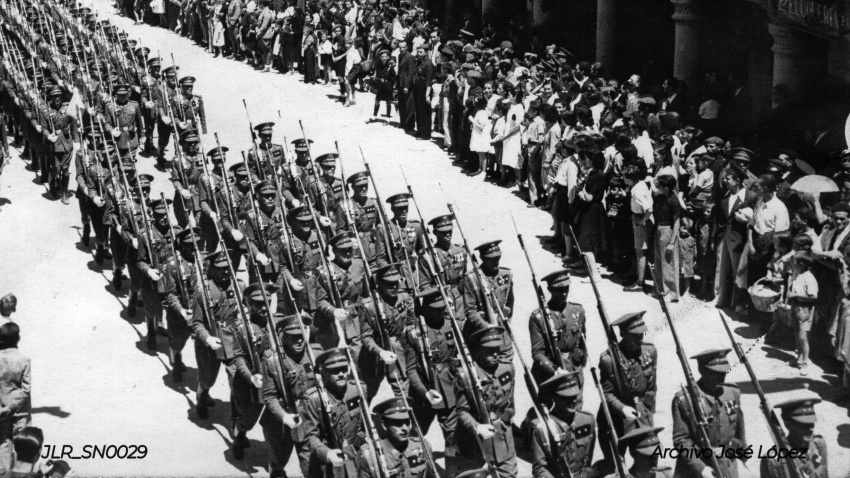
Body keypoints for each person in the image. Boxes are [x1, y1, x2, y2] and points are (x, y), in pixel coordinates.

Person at [262, 313, 323, 478]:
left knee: (310, 467)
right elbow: (269, 396)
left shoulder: (315, 354)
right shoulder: (272, 361)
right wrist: (283, 417)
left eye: (301, 336)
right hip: (281, 423)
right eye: (293, 337)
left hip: (310, 420)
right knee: (278, 461)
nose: (299, 341)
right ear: (283, 338)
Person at [596, 311, 657, 476]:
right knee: (616, 466)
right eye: (634, 336)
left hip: (642, 414)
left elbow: (652, 387)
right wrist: (622, 409)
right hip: (617, 419)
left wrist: (648, 413)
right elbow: (606, 395)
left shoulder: (649, 351)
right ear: (623, 334)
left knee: (647, 462)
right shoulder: (609, 360)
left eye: (641, 334)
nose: (640, 339)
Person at [671, 348, 746, 478]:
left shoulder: (732, 392)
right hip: (698, 469)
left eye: (724, 372)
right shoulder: (685, 400)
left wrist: (735, 453)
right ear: (703, 371)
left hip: (728, 466)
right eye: (716, 373)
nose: (722, 376)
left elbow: (739, 432)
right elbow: (681, 440)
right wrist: (700, 468)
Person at [455, 325, 517, 477]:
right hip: (475, 440)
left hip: (503, 437)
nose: (495, 354)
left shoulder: (507, 369)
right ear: (479, 350)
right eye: (489, 350)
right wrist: (477, 427)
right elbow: (462, 411)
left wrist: (505, 419)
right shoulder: (466, 376)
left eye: (497, 349)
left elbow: (510, 402)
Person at [189, 250, 243, 420]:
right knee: (208, 378)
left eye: (227, 268)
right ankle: (202, 396)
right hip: (211, 340)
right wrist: (208, 339)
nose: (225, 272)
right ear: (211, 269)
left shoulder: (238, 286)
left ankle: (236, 425)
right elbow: (196, 323)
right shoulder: (203, 291)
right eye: (220, 268)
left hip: (233, 339)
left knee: (237, 382)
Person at [302, 348, 366, 478]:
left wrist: (357, 443)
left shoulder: (358, 389)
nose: (341, 374)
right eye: (335, 371)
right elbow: (310, 436)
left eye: (343, 368)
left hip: (354, 454)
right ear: (324, 373)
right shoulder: (314, 399)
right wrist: (327, 453)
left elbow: (366, 424)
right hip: (327, 461)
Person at [529, 372, 595, 478]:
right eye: (566, 398)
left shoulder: (587, 420)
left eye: (574, 396)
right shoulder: (542, 428)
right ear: (554, 398)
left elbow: (587, 461)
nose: (573, 401)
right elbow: (539, 469)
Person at [529, 269, 586, 386]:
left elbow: (582, 341)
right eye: (559, 290)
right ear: (550, 290)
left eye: (566, 289)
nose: (564, 293)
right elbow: (538, 353)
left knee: (577, 403)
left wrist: (580, 360)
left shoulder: (577, 310)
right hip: (553, 370)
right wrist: (554, 371)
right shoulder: (539, 317)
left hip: (574, 368)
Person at [357, 397, 435, 478]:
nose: (405, 428)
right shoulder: (370, 455)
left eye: (407, 422)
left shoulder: (422, 447)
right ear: (384, 425)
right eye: (398, 423)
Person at [760, 397, 828, 478]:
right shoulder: (772, 460)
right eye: (803, 425)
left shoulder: (818, 444)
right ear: (787, 425)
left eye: (811, 423)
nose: (810, 428)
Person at [0, 322, 31, 461]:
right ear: (18, 338)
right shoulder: (24, 360)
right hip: (21, 411)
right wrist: (12, 406)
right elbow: (26, 389)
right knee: (23, 447)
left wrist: (5, 408)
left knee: (4, 445)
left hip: (1, 412)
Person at [787, 251, 818, 375]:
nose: (791, 264)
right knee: (796, 333)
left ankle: (805, 361)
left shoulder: (809, 277)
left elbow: (813, 296)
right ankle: (799, 358)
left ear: (801, 264)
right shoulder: (797, 274)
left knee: (803, 336)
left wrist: (795, 295)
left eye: (793, 263)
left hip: (805, 308)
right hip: (796, 306)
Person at [652, 174, 681, 302]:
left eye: (660, 186)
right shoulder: (660, 197)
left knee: (668, 263)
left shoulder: (673, 200)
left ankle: (672, 293)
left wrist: (672, 242)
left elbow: (676, 222)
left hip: (668, 231)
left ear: (666, 189)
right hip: (658, 229)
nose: (657, 187)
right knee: (658, 261)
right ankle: (659, 289)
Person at [624, 165, 652, 292]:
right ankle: (638, 276)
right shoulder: (639, 184)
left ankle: (640, 282)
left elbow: (649, 209)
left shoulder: (637, 191)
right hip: (638, 217)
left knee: (640, 252)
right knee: (638, 251)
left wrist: (641, 220)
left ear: (629, 179)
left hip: (641, 219)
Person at [412, 44, 434, 140]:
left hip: (424, 88)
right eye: (418, 52)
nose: (419, 54)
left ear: (426, 52)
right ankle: (420, 130)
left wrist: (427, 94)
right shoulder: (419, 62)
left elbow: (429, 80)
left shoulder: (428, 64)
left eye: (421, 52)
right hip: (417, 87)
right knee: (418, 109)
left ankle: (426, 133)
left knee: (424, 111)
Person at [468, 96, 491, 176]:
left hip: (481, 136)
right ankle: (480, 168)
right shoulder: (479, 112)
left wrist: (472, 120)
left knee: (483, 154)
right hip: (477, 135)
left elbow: (481, 127)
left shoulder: (482, 113)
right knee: (479, 153)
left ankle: (484, 171)